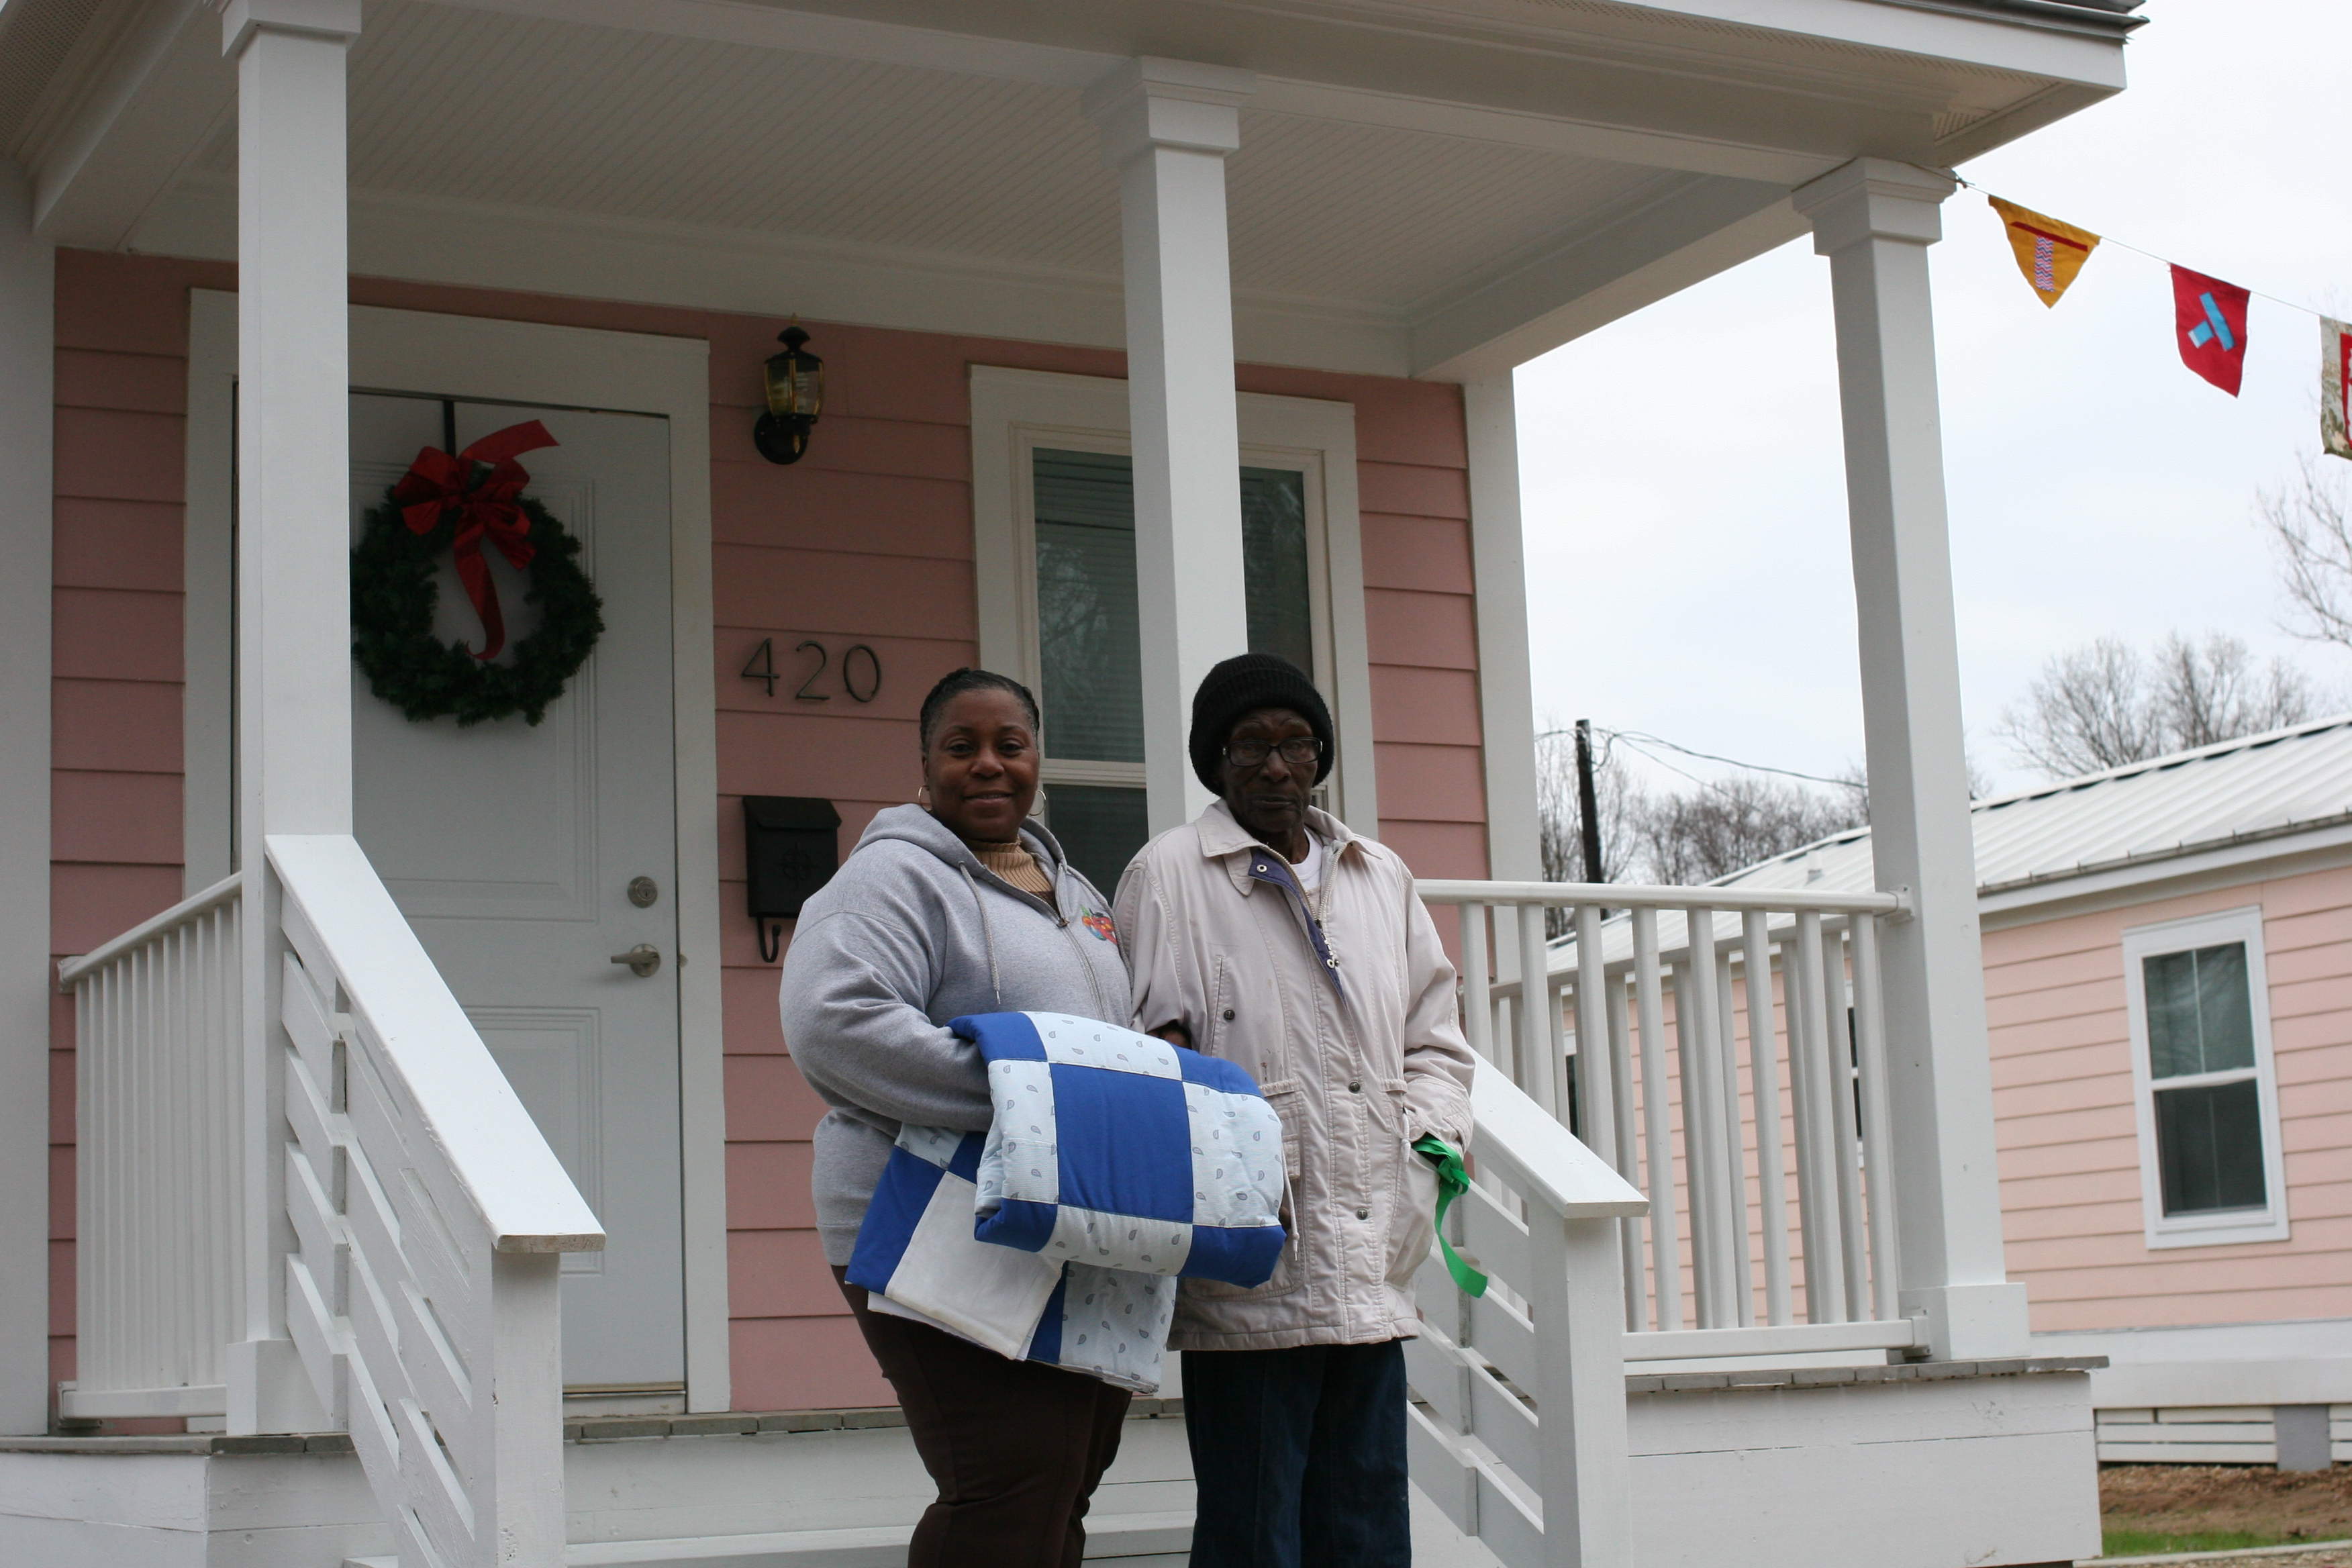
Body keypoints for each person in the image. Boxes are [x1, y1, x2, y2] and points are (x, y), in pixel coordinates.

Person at [1114, 652, 1477, 1568]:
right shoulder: (1168, 875)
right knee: (1254, 1534)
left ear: (1321, 754)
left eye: (1297, 743)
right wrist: (1229, 1172)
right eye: (1251, 746)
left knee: (1366, 1529)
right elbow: (1148, 1059)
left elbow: (1435, 1044)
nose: (1277, 766)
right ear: (1216, 760)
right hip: (1252, 1267)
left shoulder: (1379, 874)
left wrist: (1425, 1149)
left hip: (1369, 1259)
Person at [781, 667, 1134, 1568]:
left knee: (1067, 1473)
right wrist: (1043, 1101)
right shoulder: (890, 879)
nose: (988, 764)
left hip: (1063, 1218)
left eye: (1010, 746)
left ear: (1037, 760)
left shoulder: (1076, 892)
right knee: (1012, 1476)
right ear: (925, 765)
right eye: (961, 747)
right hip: (922, 1212)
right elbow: (835, 1024)